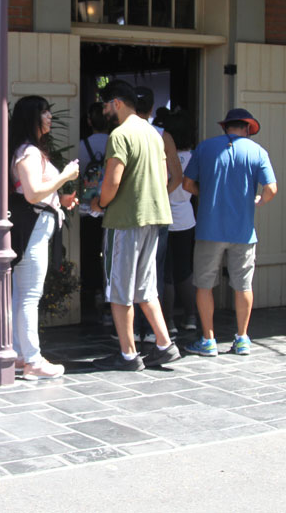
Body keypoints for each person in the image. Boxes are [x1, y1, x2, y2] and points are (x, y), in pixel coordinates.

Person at [88, 80, 180, 371]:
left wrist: (98, 204)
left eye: (105, 105)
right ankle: (164, 345)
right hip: (154, 218)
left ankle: (128, 354)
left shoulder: (120, 134)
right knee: (145, 287)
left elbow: (112, 182)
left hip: (125, 220)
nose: (104, 111)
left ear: (116, 103)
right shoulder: (154, 134)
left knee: (119, 288)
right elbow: (165, 178)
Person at [182, 108, 277, 357]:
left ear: (226, 127)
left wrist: (207, 194)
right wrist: (259, 200)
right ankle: (243, 338)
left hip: (209, 229)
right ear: (247, 128)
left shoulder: (205, 148)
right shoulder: (258, 152)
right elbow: (271, 188)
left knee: (204, 285)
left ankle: (208, 340)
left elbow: (187, 183)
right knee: (243, 285)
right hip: (243, 231)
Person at [9, 96, 79, 380]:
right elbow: (32, 192)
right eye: (44, 112)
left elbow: (37, 192)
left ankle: (19, 355)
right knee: (28, 296)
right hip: (33, 226)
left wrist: (59, 198)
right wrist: (64, 176)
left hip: (36, 223)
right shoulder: (29, 152)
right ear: (32, 118)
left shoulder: (28, 150)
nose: (50, 116)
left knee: (22, 295)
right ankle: (33, 361)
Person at [133, 86, 183, 343]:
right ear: (152, 108)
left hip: (131, 213)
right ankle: (155, 329)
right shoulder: (163, 136)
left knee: (128, 271)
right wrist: (160, 195)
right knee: (156, 272)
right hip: (159, 213)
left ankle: (132, 330)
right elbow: (177, 177)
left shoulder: (123, 133)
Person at [162, 112, 197, 332]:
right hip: (187, 217)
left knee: (166, 271)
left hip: (165, 217)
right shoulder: (194, 157)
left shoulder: (165, 158)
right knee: (185, 270)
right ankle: (191, 317)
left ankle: (168, 321)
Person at [78, 102, 108, 322]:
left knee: (88, 252)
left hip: (87, 207)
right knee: (108, 254)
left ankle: (89, 292)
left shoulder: (81, 145)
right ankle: (107, 295)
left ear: (89, 121)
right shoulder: (114, 142)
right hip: (110, 207)